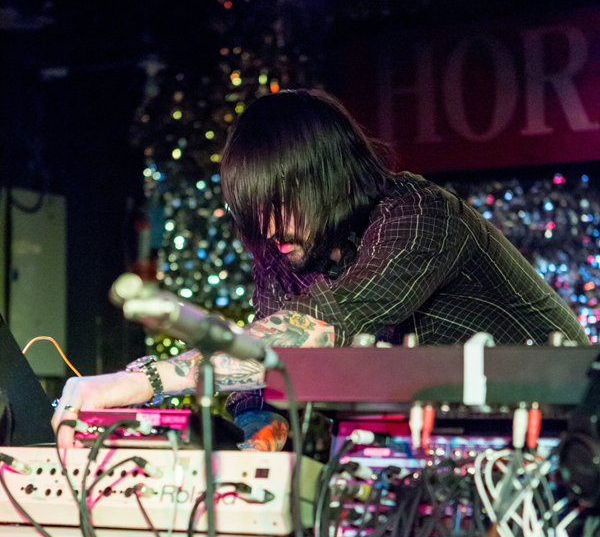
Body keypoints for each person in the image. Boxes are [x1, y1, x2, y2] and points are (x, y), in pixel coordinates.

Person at [53, 89, 589, 448]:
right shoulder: (287, 253)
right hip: (422, 464)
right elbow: (259, 376)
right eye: (255, 212)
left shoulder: (419, 214)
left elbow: (316, 329)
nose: (268, 227)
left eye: (281, 203)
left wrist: (143, 381)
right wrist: (259, 429)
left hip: (561, 449)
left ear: (333, 177)